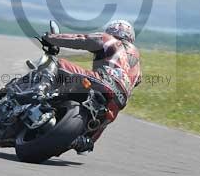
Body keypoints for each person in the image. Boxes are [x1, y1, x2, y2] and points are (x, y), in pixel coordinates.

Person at [41, 19, 142, 154]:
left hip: (103, 81)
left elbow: (82, 39)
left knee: (60, 64)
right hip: (118, 101)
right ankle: (85, 140)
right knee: (100, 123)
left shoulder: (110, 40)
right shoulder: (138, 65)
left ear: (112, 31)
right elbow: (136, 81)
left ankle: (41, 92)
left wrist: (52, 39)